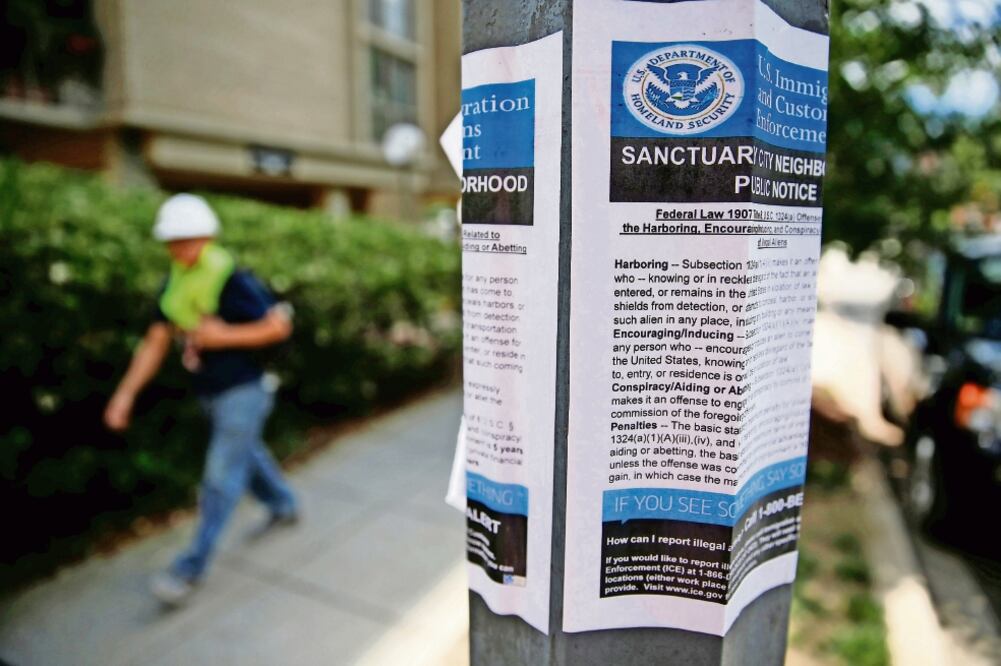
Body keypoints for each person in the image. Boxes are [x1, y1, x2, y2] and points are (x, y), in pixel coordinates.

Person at [103, 193, 298, 605]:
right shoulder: (173, 283)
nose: (181, 247)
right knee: (248, 454)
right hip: (210, 393)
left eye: (188, 238)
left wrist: (222, 335)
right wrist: (124, 395)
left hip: (244, 391)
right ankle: (284, 503)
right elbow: (155, 342)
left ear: (206, 236)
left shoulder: (233, 279)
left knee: (219, 478)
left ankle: (188, 569)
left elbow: (278, 326)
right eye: (173, 240)